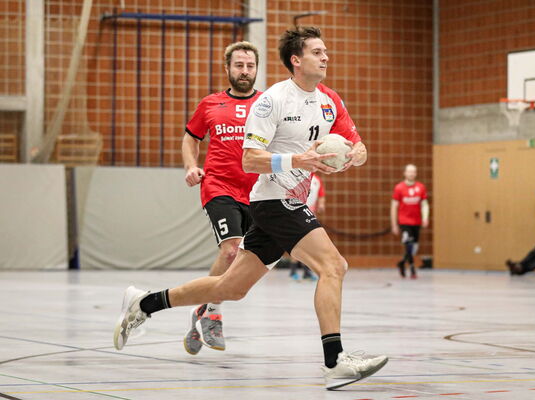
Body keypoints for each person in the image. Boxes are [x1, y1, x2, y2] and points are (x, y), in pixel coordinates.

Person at [113, 26, 388, 391]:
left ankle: (144, 303)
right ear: (296, 60)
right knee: (333, 266)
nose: (325, 57)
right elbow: (250, 159)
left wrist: (356, 154)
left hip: (287, 201)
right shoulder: (272, 101)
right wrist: (298, 160)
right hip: (274, 199)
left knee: (230, 287)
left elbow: (358, 145)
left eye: (325, 52)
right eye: (317, 52)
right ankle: (334, 361)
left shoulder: (330, 100)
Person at [181, 41, 261, 355]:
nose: (245, 71)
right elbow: (191, 138)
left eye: (250, 66)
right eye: (239, 65)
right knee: (230, 250)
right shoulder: (210, 104)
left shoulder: (267, 104)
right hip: (219, 186)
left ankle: (200, 309)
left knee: (246, 264)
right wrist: (191, 166)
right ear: (227, 68)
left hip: (257, 192)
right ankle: (212, 313)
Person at [390, 164, 429, 279]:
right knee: (408, 243)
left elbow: (424, 204)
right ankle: (412, 268)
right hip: (404, 221)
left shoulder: (421, 187)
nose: (411, 174)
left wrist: (425, 217)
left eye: (413, 172)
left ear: (416, 174)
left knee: (414, 247)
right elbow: (394, 206)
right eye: (409, 171)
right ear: (405, 173)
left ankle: (402, 263)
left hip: (416, 222)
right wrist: (394, 224)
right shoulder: (399, 188)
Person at [289, 173, 325, 281]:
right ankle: (294, 270)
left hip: (309, 213)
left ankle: (306, 271)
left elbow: (321, 194)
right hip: (296, 212)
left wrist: (321, 205)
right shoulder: (297, 176)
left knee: (309, 244)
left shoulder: (316, 180)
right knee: (296, 242)